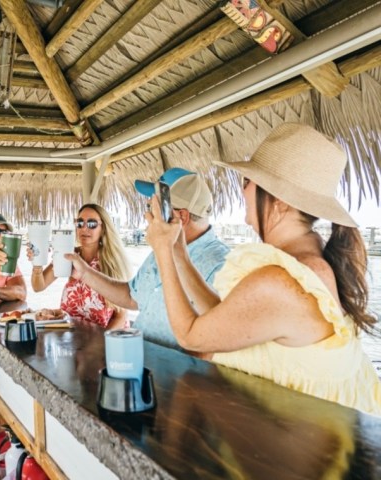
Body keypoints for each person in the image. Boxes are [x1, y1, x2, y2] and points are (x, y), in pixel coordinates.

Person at [144, 123, 381, 415]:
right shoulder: (309, 266)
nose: (242, 191)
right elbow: (223, 317)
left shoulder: (281, 282)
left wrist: (162, 251)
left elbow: (190, 334)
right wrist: (179, 252)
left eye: (247, 182)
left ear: (279, 203)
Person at [66, 169, 229, 348]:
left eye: (152, 207)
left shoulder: (221, 265)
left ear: (180, 217)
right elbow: (131, 297)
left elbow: (217, 340)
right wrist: (85, 273)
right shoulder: (164, 245)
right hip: (140, 361)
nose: (147, 215)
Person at [28, 204, 130, 329]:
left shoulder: (111, 262)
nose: (84, 228)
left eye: (92, 224)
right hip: (74, 338)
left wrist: (103, 344)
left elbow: (121, 316)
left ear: (103, 229)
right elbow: (39, 286)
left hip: (107, 340)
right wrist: (37, 262)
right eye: (80, 223)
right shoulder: (69, 256)